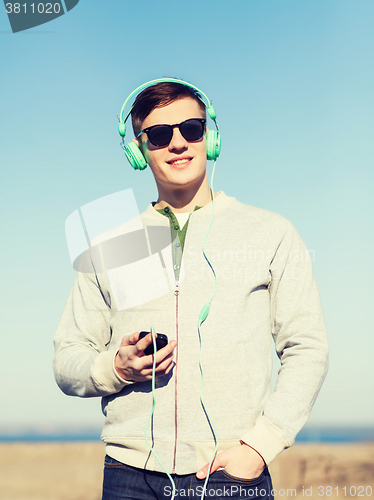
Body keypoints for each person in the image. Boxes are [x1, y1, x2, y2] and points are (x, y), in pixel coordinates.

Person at [53, 79, 329, 500]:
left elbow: (307, 348)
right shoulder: (106, 246)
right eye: (159, 135)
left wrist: (260, 446)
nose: (178, 143)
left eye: (191, 129)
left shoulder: (271, 232)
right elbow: (67, 358)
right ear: (138, 151)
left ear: (210, 137)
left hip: (233, 474)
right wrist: (115, 368)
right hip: (131, 475)